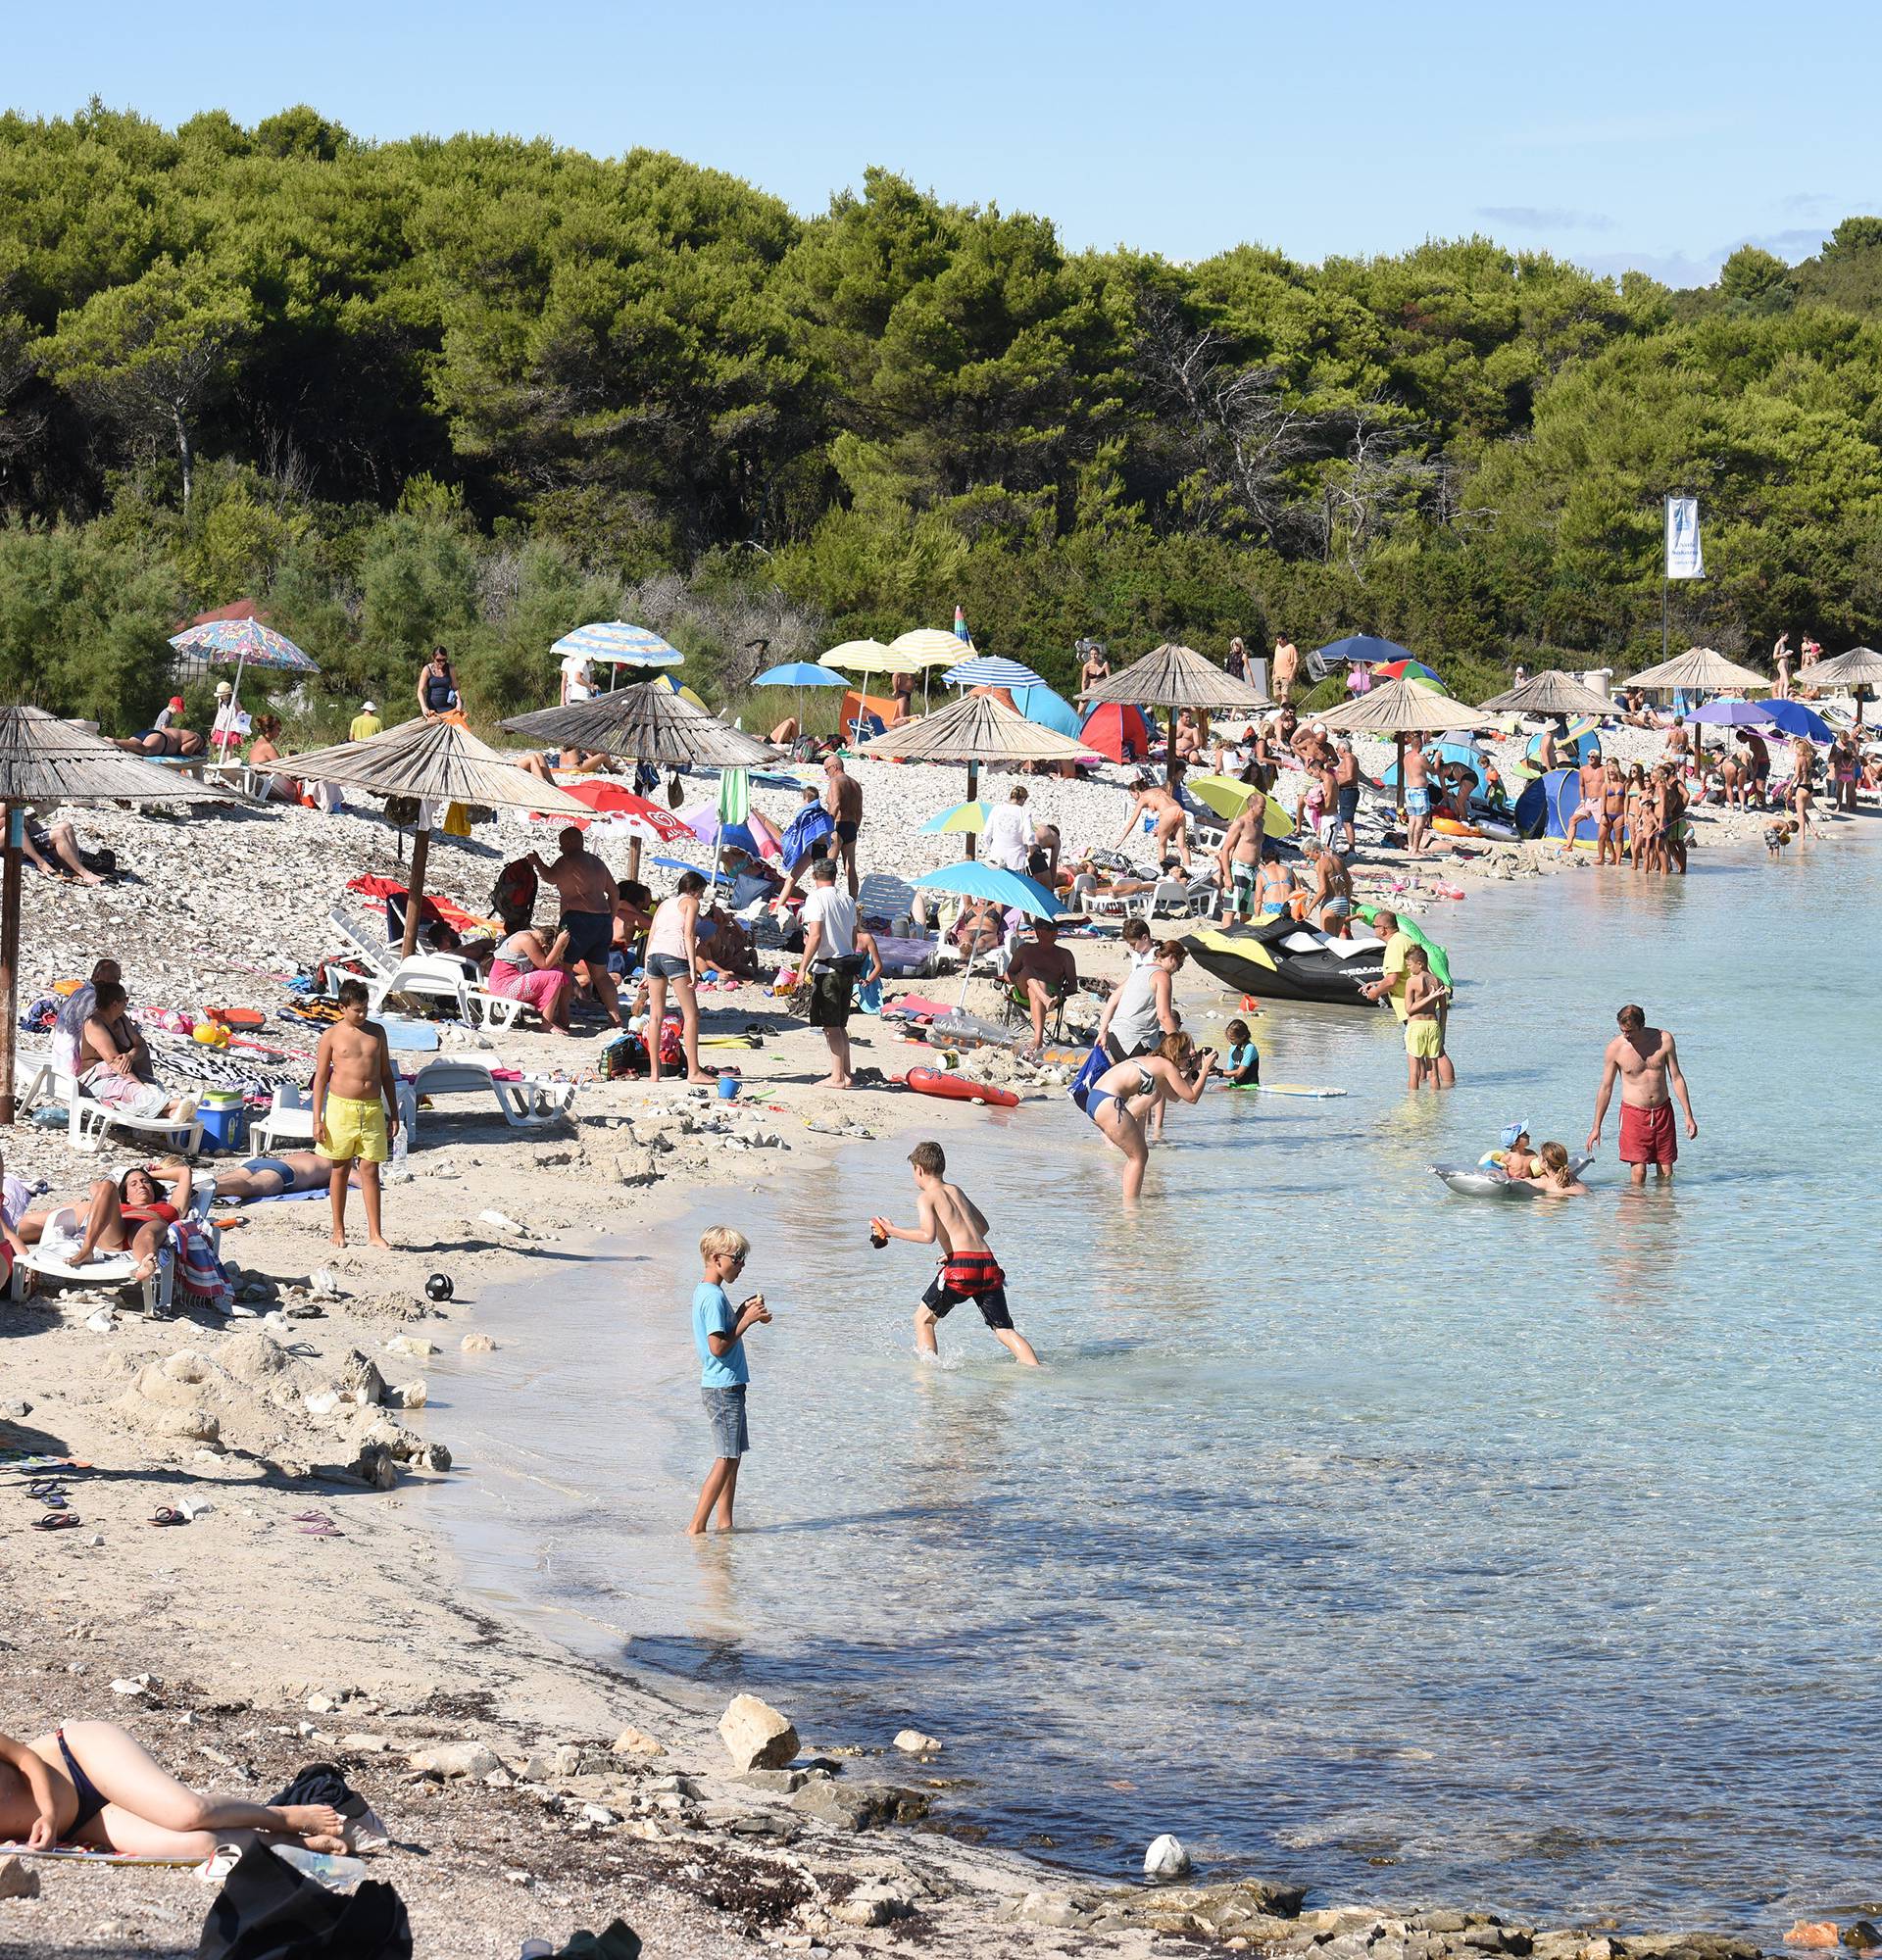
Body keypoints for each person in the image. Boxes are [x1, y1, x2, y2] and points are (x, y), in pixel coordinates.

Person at [0, 1721, 347, 1858]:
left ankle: (279, 1817)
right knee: (200, 1846)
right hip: (83, 1822)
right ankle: (291, 1845)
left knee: (188, 1814)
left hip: (78, 1757)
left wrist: (47, 1813)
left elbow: (27, 1759)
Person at [873, 1140, 1040, 1366]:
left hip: (963, 1269)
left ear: (919, 1170)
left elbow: (927, 1236)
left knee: (923, 1321)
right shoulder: (956, 1190)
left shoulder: (926, 1197)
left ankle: (928, 1379)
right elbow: (982, 1227)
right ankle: (1036, 1368)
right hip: (988, 1265)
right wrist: (954, 1253)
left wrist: (892, 1230)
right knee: (1004, 1331)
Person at [688, 1224, 768, 1536]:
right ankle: (696, 1527)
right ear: (716, 1257)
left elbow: (722, 1332)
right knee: (725, 1458)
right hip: (722, 1387)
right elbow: (717, 1347)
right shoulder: (711, 1297)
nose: (741, 1264)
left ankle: (725, 1524)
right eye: (737, 1258)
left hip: (729, 1385)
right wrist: (746, 1321)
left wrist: (740, 1312)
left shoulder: (712, 1293)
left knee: (733, 1458)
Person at [312, 978, 399, 1249]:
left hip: (372, 1108)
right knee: (340, 1167)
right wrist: (317, 1118)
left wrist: (394, 1113)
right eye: (357, 1010)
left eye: (365, 1009)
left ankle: (375, 1233)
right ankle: (339, 1229)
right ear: (343, 1008)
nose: (362, 1015)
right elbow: (320, 1079)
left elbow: (386, 1074)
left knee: (371, 1169)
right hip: (341, 1108)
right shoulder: (331, 1035)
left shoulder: (378, 1033)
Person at [1083, 1030, 1217, 1201]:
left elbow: (1175, 1096)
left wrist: (1194, 1068)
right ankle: (1131, 1210)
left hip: (1096, 1100)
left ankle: (1129, 1201)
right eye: (1188, 1053)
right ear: (1176, 1054)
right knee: (1139, 1157)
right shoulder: (1166, 1066)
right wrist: (1205, 1069)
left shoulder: (1155, 1062)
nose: (1191, 1055)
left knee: (1136, 1156)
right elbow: (1191, 1097)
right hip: (1108, 1102)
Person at [1587, 1003, 1698, 1185]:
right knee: (1639, 1173)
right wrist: (1596, 1126)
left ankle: (1665, 1211)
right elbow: (1606, 1088)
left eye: (1630, 1031)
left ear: (1642, 1026)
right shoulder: (1616, 1048)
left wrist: (1688, 1115)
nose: (1626, 1035)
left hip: (1663, 1111)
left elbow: (1676, 1078)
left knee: (1667, 1171)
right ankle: (1637, 1212)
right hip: (1634, 1113)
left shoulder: (1664, 1040)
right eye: (1623, 1030)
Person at [529, 828, 623, 1028]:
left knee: (564, 970)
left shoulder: (567, 860)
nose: (560, 848)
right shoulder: (597, 863)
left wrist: (537, 862)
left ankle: (563, 1018)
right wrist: (610, 917)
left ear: (572, 842)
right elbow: (614, 893)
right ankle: (615, 1017)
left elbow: (550, 877)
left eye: (562, 843)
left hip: (577, 920)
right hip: (602, 922)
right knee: (600, 974)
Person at [1362, 908, 1456, 1089]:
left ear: (1383, 929)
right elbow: (1399, 974)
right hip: (1426, 1005)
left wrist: (1376, 993)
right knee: (1431, 1052)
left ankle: (1447, 1086)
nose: (1373, 930)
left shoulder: (1395, 944)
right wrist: (1376, 982)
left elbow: (1392, 980)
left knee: (1434, 1053)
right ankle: (1441, 1092)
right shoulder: (1404, 940)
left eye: (1374, 926)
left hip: (1412, 1007)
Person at [78, 981, 194, 1122]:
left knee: (149, 1087)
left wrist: (131, 1055)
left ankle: (172, 1114)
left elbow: (141, 1045)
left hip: (121, 1075)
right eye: (125, 1001)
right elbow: (114, 1061)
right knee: (133, 1090)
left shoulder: (121, 1019)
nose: (126, 1004)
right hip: (96, 1081)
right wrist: (139, 1084)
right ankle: (180, 1103)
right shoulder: (94, 1024)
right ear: (115, 1004)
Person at [794, 858, 861, 1089]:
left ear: (814, 876)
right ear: (835, 876)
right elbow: (853, 935)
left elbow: (815, 935)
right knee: (840, 1025)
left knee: (831, 1026)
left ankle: (837, 1078)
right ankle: (846, 1074)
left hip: (829, 968)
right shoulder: (847, 899)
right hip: (847, 964)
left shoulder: (816, 898)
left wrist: (802, 968)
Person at [644, 871, 713, 1084]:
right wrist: (693, 968)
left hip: (654, 955)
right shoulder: (690, 902)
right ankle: (694, 1072)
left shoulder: (665, 904)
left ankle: (654, 1073)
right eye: (700, 893)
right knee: (692, 1015)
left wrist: (646, 967)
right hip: (674, 955)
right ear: (695, 890)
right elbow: (688, 934)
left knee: (655, 1016)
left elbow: (652, 933)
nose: (700, 897)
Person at [70, 1162, 191, 1282]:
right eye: (134, 1184)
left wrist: (147, 1174)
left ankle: (146, 1262)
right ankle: (87, 1250)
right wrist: (120, 1183)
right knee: (107, 1185)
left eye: (145, 1182)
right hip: (117, 1229)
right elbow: (96, 1187)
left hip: (149, 1225)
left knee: (148, 1232)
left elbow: (184, 1171)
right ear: (126, 1195)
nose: (141, 1186)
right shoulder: (119, 1206)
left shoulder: (171, 1206)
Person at [1096, 937, 1183, 1063]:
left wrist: (1102, 1032)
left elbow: (1113, 1000)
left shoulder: (1139, 971)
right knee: (1165, 1069)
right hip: (1134, 1042)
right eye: (1180, 964)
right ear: (1172, 957)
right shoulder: (1162, 976)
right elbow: (1164, 1017)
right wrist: (1180, 1046)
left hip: (1113, 1037)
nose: (1179, 969)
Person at [1007, 919, 1077, 1059]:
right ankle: (1045, 1000)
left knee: (1039, 987)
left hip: (1052, 993)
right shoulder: (1025, 950)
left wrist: (1063, 993)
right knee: (1028, 971)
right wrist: (1023, 979)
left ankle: (1037, 1040)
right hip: (1023, 992)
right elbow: (1008, 975)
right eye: (1049, 929)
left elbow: (1073, 984)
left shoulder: (1065, 955)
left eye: (1055, 928)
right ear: (1038, 932)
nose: (1054, 932)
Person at [488, 921, 573, 1034]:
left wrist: (561, 946)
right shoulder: (526, 940)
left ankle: (560, 1018)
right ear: (545, 946)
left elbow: (555, 964)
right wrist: (558, 945)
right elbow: (545, 965)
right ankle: (546, 1023)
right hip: (504, 986)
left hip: (509, 981)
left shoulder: (529, 935)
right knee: (555, 976)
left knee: (559, 972)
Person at [211, 1151, 361, 1202]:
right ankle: (218, 1188)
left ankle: (200, 1186)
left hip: (262, 1162)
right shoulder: (340, 1165)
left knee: (219, 1179)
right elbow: (364, 1183)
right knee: (250, 1187)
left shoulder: (310, 1155)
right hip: (284, 1172)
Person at [1400, 945, 1448, 1092]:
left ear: (1419, 964)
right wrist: (1441, 1031)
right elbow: (1444, 1011)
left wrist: (1428, 998)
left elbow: (1409, 1009)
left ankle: (1413, 1107)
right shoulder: (1438, 981)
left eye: (1409, 965)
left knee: (1414, 1073)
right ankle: (1435, 1107)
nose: (1408, 969)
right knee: (1433, 1072)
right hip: (1433, 1026)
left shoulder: (1412, 981)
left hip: (1416, 1026)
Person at [1115, 775, 1190, 870]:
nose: (1133, 798)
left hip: (1167, 813)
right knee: (1182, 845)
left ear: (1136, 792)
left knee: (1162, 845)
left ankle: (1164, 871)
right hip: (1178, 809)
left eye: (1132, 794)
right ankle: (1189, 870)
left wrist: (1120, 840)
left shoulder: (1142, 798)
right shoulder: (1157, 790)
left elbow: (1132, 822)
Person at [1216, 794, 1267, 921]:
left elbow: (1257, 846)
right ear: (1252, 807)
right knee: (1231, 909)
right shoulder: (1240, 823)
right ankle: (1226, 939)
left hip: (1254, 870)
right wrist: (1227, 877)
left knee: (1248, 911)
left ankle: (1242, 937)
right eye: (1262, 807)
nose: (1264, 810)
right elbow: (1226, 849)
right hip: (1239, 868)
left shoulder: (1261, 823)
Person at [21, 814, 110, 885]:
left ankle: (75, 867)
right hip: (21, 845)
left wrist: (35, 814)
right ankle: (85, 873)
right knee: (58, 834)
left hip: (29, 835)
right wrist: (22, 820)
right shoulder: (7, 803)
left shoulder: (12, 799)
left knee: (66, 826)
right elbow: (13, 824)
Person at [822, 755, 863, 898]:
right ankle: (853, 901)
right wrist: (855, 828)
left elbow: (835, 804)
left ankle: (827, 899)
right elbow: (859, 812)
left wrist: (827, 828)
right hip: (851, 826)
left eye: (826, 770)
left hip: (838, 825)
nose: (827, 774)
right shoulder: (855, 784)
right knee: (850, 867)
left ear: (834, 767)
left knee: (828, 865)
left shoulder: (836, 781)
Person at [983, 785, 1036, 873]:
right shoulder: (1024, 812)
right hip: (1016, 859)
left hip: (996, 855)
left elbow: (987, 834)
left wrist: (990, 847)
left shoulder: (997, 809)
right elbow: (1029, 836)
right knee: (1014, 884)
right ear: (1023, 799)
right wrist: (1031, 852)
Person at [1402, 744, 1433, 857]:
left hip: (1409, 790)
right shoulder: (1421, 758)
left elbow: (1417, 763)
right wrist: (1437, 758)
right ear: (1420, 744)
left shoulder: (1406, 757)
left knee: (1412, 821)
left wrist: (1426, 755)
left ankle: (1410, 847)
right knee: (1420, 821)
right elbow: (1433, 770)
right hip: (1420, 791)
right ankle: (1415, 849)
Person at [1332, 738, 1362, 854]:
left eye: (1337, 749)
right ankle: (1350, 847)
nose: (1337, 751)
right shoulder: (1347, 759)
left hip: (1348, 791)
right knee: (1344, 820)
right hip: (1345, 791)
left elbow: (1350, 777)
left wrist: (1336, 784)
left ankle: (1352, 849)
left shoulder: (1348, 758)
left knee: (1347, 821)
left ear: (1342, 749)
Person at [1596, 760, 1626, 865]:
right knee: (1601, 837)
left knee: (1618, 838)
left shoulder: (1623, 784)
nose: (1610, 775)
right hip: (1607, 814)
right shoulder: (1605, 785)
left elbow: (1626, 799)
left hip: (1620, 814)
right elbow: (1603, 801)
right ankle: (1601, 858)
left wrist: (1626, 815)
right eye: (1609, 773)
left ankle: (1618, 861)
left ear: (1616, 772)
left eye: (1612, 772)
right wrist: (1603, 814)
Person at [417, 646, 459, 720]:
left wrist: (459, 703)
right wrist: (424, 707)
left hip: (449, 709)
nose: (441, 663)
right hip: (433, 710)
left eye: (444, 660)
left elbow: (455, 687)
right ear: (433, 658)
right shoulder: (427, 670)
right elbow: (420, 690)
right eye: (438, 660)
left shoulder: (450, 668)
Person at [1221, 1017, 1260, 1086]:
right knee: (1217, 1090)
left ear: (1243, 1036)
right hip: (1238, 1085)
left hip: (1250, 1086)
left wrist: (1218, 1072)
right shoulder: (1232, 1048)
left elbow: (1239, 1073)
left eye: (1232, 1038)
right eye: (1228, 1038)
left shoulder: (1249, 1048)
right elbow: (1229, 1074)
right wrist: (1213, 1070)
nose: (1230, 1041)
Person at [1271, 632, 1300, 705]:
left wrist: (1292, 675)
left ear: (1285, 639)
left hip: (1286, 675)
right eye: (1277, 641)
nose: (1279, 643)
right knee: (1277, 694)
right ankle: (1287, 706)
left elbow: (1295, 662)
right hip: (1277, 675)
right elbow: (1275, 660)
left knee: (1285, 694)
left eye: (1280, 641)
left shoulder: (1291, 647)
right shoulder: (1277, 647)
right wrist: (1273, 673)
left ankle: (1283, 710)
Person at [1773, 632, 1793, 699]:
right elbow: (1774, 656)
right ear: (1782, 636)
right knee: (1787, 683)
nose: (1788, 638)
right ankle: (1785, 698)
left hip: (1785, 663)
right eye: (1786, 636)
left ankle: (1781, 698)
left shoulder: (1783, 644)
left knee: (1782, 683)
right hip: (1782, 664)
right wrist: (1785, 654)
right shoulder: (1778, 644)